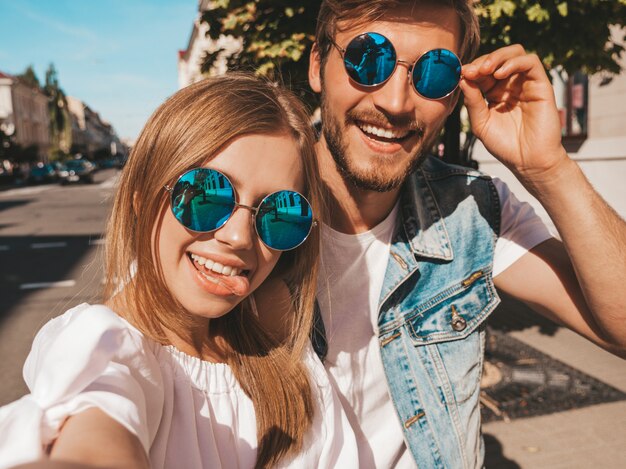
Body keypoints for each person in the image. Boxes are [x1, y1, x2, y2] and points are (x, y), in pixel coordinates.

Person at [307, 1, 626, 468]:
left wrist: (548, 169)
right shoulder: (234, 213)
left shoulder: (472, 211)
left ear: (455, 95)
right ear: (318, 64)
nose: (395, 102)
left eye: (433, 74)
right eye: (367, 59)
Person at [0, 74, 359, 469]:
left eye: (280, 212)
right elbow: (97, 423)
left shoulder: (285, 354)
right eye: (208, 193)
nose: (239, 237)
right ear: (143, 197)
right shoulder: (103, 345)